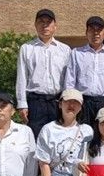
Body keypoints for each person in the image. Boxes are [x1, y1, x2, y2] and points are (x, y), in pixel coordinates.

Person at [15, 8, 71, 138]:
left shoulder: (65, 50)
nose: (45, 25)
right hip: (36, 102)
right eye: (41, 22)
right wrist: (22, 104)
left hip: (58, 102)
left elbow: (68, 79)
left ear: (55, 26)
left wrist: (67, 102)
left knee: (59, 137)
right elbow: (22, 77)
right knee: (36, 138)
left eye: (48, 22)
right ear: (35, 25)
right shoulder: (27, 48)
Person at [64, 16, 104, 125]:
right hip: (83, 102)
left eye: (99, 30)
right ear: (86, 33)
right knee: (82, 132)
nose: (95, 33)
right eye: (91, 29)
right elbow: (70, 81)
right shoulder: (76, 53)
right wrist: (70, 102)